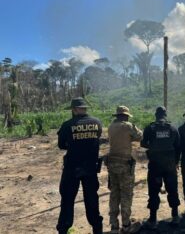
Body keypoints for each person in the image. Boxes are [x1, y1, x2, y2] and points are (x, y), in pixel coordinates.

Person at [56, 97, 103, 234]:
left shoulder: (67, 125)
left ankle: (64, 229)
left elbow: (61, 145)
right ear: (84, 108)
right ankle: (97, 228)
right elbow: (96, 139)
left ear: (74, 109)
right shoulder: (97, 123)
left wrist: (73, 144)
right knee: (92, 199)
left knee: (67, 200)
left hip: (72, 169)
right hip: (90, 168)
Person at [140, 106, 181, 229]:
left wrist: (152, 145)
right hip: (170, 165)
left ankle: (153, 220)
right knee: (172, 189)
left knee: (153, 191)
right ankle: (175, 216)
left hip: (155, 165)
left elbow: (143, 143)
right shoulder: (172, 128)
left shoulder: (150, 128)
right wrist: (176, 162)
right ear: (165, 115)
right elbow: (178, 146)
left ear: (156, 115)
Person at [107, 106, 143, 234]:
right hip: (125, 165)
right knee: (126, 194)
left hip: (112, 164)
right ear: (126, 116)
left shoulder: (111, 127)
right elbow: (140, 136)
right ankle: (126, 225)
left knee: (114, 194)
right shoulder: (128, 126)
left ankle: (114, 226)